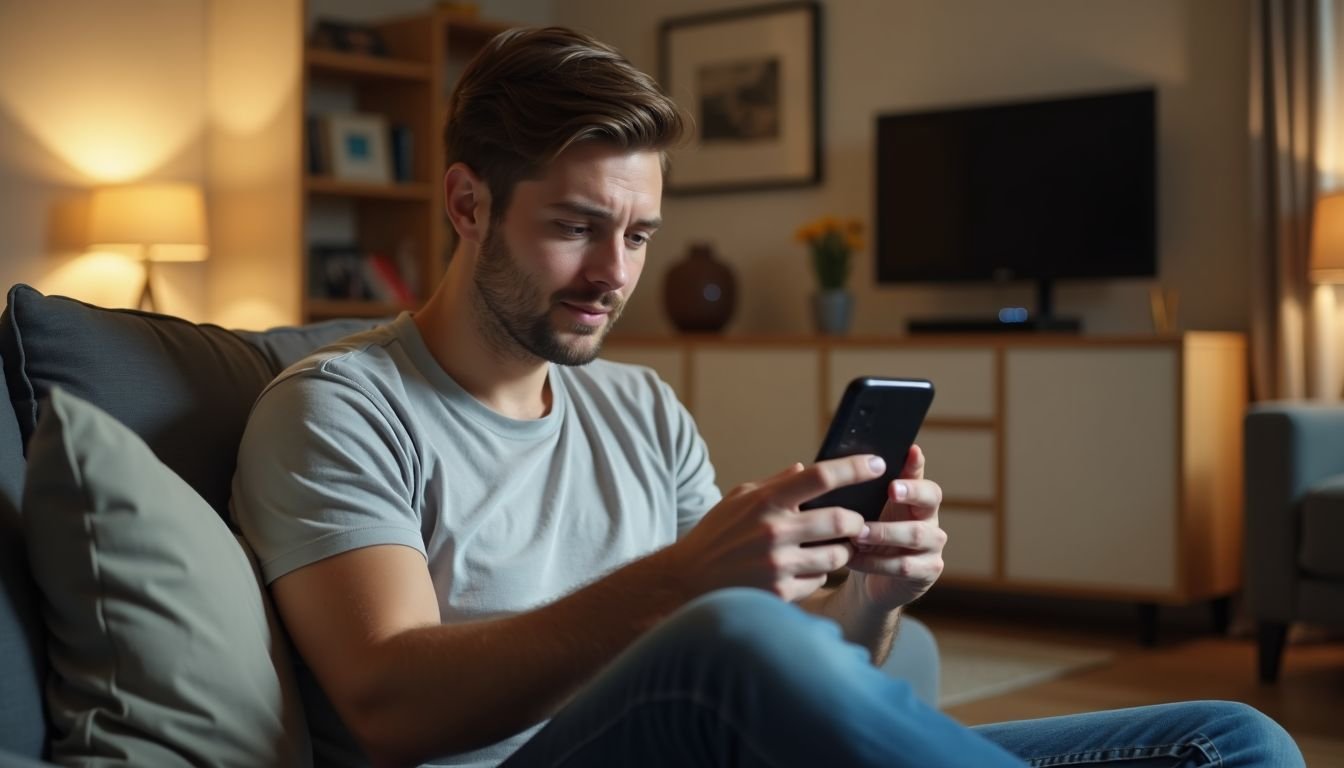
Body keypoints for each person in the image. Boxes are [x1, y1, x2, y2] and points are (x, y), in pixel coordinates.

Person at [231, 26, 1304, 768]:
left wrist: (873, 603)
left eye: (638, 233)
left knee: (1233, 742)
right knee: (726, 639)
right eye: (574, 227)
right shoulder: (338, 409)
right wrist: (684, 579)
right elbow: (388, 707)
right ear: (468, 203)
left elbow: (793, 683)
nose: (616, 272)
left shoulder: (640, 408)